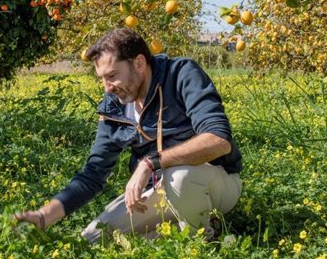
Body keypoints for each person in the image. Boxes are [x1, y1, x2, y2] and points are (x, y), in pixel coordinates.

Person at [14, 28, 242, 242]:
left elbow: (218, 140)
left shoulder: (181, 74)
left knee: (179, 175)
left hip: (213, 183)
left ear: (139, 63)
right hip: (158, 190)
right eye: (101, 78)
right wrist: (43, 216)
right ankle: (176, 232)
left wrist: (150, 163)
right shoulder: (113, 105)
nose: (107, 87)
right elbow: (93, 173)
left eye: (112, 75)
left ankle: (201, 241)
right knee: (94, 239)